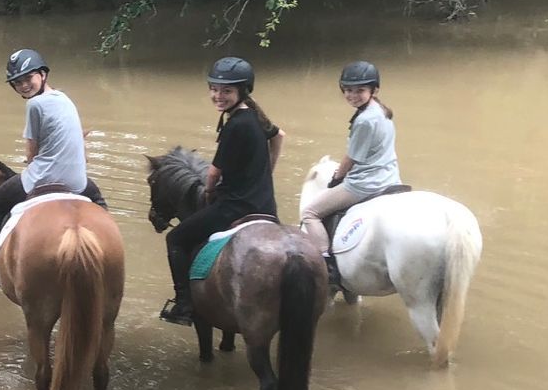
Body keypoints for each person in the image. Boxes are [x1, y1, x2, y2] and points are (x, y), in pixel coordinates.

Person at [160, 56, 281, 326]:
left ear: (242, 91)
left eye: (226, 91)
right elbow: (279, 136)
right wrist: (266, 174)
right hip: (266, 206)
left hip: (235, 207)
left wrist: (209, 192)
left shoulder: (235, 124)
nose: (218, 95)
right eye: (214, 89)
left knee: (176, 239)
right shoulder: (256, 115)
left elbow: (213, 173)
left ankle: (184, 305)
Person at [0, 48, 108, 287]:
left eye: (28, 78)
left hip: (45, 177)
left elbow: (31, 153)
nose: (24, 85)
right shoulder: (64, 98)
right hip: (77, 179)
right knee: (97, 200)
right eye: (18, 82)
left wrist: (32, 162)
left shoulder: (35, 105)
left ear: (42, 75)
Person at [299, 60, 399, 287]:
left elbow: (351, 159)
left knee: (310, 212)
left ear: (374, 90)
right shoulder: (382, 111)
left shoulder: (364, 120)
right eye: (348, 90)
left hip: (365, 184)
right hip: (391, 178)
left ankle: (326, 263)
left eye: (359, 91)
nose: (353, 95)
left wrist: (337, 178)